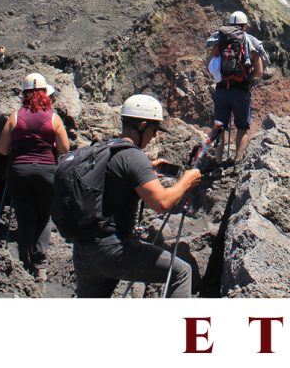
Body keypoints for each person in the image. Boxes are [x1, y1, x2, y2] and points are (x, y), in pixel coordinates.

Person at [72, 94, 201, 298]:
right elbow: (162, 203)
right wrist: (186, 181)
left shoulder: (105, 148)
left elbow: (113, 178)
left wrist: (146, 170)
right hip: (113, 249)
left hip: (83, 248)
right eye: (154, 129)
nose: (155, 136)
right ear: (142, 125)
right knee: (180, 272)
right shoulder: (133, 156)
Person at [0, 72, 69, 281]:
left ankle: (24, 261)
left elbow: (2, 149)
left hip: (19, 171)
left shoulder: (15, 117)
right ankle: (41, 265)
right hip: (47, 171)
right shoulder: (54, 118)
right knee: (44, 217)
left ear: (24, 94)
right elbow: (64, 148)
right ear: (46, 94)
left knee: (25, 216)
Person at [205, 10, 269, 163]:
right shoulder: (250, 42)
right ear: (244, 26)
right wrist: (247, 77)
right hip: (240, 91)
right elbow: (259, 72)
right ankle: (238, 161)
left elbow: (208, 64)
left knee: (219, 128)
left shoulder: (219, 41)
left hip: (221, 90)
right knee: (242, 128)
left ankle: (218, 163)